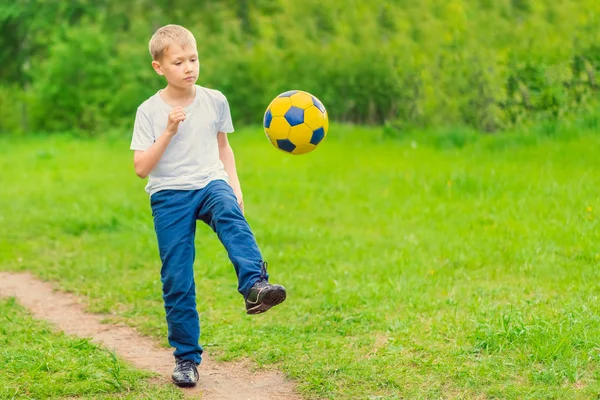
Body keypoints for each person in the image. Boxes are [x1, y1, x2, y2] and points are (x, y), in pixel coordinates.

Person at [129, 24, 286, 388]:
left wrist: (235, 185)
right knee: (177, 277)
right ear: (159, 67)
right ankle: (186, 358)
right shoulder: (149, 111)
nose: (189, 68)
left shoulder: (215, 100)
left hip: (210, 181)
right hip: (169, 194)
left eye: (194, 59)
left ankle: (254, 287)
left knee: (230, 213)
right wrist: (167, 131)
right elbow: (141, 168)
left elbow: (223, 147)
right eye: (179, 61)